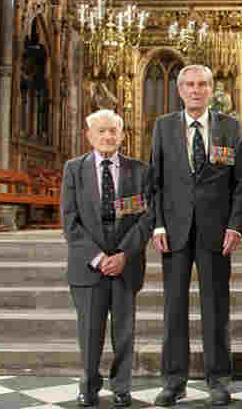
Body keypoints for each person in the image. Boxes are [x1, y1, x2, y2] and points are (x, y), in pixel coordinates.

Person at [150, 65, 242, 406]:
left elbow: (241, 184)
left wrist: (235, 225)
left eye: (202, 84)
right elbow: (155, 182)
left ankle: (218, 379)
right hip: (174, 231)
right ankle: (173, 381)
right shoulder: (163, 127)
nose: (195, 90)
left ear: (211, 90)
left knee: (216, 308)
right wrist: (157, 224)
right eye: (189, 85)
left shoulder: (231, 127)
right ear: (180, 90)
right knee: (174, 308)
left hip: (216, 232)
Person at [61, 109, 154, 407]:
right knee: (89, 333)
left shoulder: (140, 170)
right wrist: (99, 257)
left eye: (113, 130)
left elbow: (147, 217)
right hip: (89, 267)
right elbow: (69, 221)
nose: (107, 136)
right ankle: (88, 387)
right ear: (89, 135)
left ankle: (122, 386)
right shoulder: (74, 169)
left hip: (126, 265)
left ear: (122, 135)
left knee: (124, 331)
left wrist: (124, 254)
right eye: (101, 131)